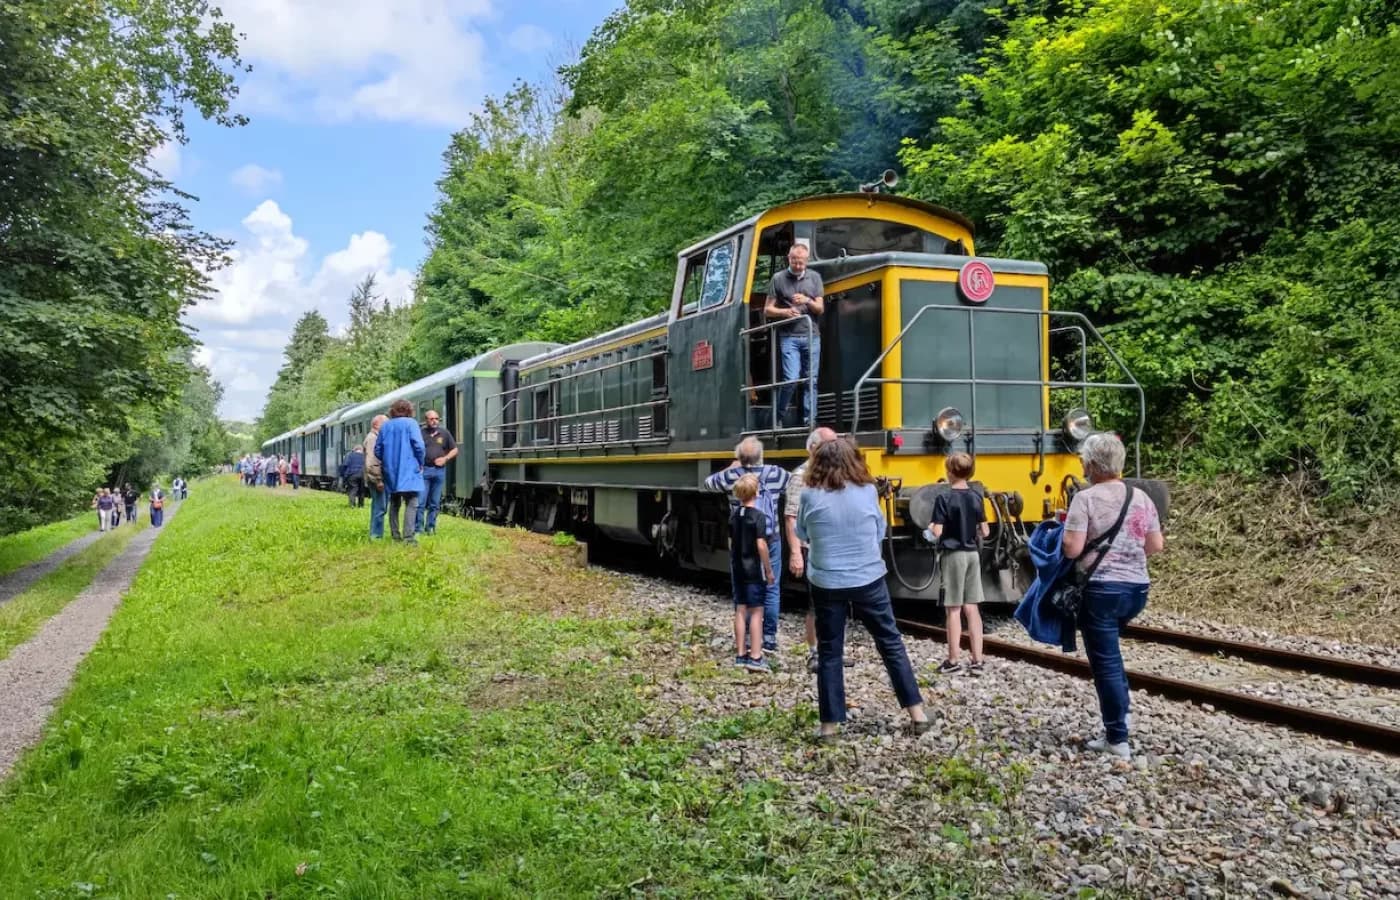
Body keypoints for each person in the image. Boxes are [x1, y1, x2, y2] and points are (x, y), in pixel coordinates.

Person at [797, 439, 930, 742]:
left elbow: (802, 533)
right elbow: (879, 529)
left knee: (830, 651)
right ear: (854, 461)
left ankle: (829, 727)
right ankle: (918, 714)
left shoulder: (808, 495)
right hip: (869, 579)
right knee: (890, 643)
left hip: (827, 582)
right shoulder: (868, 491)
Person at [1062, 433, 1164, 761]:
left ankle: (1117, 738)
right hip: (1137, 590)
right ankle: (1122, 710)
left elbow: (1073, 549)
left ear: (1092, 464)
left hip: (1102, 589)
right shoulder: (1142, 497)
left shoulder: (1086, 499)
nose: (1081, 465)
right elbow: (1154, 545)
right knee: (1112, 655)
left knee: (1104, 662)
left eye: (1083, 460)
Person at [703, 437, 790, 653]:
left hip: (742, 543)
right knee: (771, 589)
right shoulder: (776, 473)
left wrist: (731, 467)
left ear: (740, 458)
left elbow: (708, 483)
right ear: (762, 455)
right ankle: (769, 638)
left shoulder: (732, 475)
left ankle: (748, 639)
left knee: (742, 590)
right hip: (771, 539)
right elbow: (798, 482)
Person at [924, 452, 990, 675]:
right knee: (972, 607)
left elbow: (938, 531)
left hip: (953, 555)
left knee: (953, 609)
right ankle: (977, 660)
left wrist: (931, 529)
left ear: (949, 472)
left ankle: (953, 660)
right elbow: (986, 530)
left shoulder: (944, 498)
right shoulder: (976, 497)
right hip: (972, 554)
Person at [784, 426, 841, 673]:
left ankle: (835, 650)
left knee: (838, 603)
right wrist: (796, 552)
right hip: (811, 547)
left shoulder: (838, 474)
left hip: (835, 546)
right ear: (814, 448)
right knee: (815, 605)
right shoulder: (800, 477)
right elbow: (791, 516)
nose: (836, 449)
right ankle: (814, 652)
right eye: (830, 444)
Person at [764, 243, 824, 427]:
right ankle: (778, 416)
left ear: (806, 261)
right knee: (791, 379)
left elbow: (820, 308)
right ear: (789, 259)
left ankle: (809, 422)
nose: (798, 266)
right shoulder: (778, 278)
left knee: (811, 381)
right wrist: (784, 313)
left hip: (811, 336)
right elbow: (767, 310)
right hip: (789, 337)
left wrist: (807, 300)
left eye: (802, 262)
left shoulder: (815, 278)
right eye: (795, 262)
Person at [729, 474, 775, 672]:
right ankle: (755, 656)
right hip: (753, 570)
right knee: (757, 612)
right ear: (756, 492)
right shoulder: (758, 516)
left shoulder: (733, 516)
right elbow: (761, 545)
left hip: (737, 568)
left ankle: (740, 654)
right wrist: (768, 569)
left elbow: (731, 543)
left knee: (740, 610)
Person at [378, 399, 425, 544]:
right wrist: (420, 462)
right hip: (410, 468)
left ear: (392, 410)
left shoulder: (385, 426)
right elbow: (419, 446)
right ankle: (409, 537)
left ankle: (395, 536)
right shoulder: (411, 424)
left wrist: (387, 460)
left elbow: (378, 449)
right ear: (409, 410)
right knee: (412, 501)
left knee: (394, 502)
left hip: (390, 469)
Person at [415, 409, 458, 535]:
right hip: (425, 471)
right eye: (431, 419)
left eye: (436, 419)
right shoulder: (420, 434)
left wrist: (445, 458)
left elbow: (454, 449)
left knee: (435, 502)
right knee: (421, 502)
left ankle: (431, 528)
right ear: (426, 420)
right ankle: (418, 529)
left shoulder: (444, 433)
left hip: (439, 471)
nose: (434, 421)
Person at [363, 414, 389, 539]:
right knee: (380, 507)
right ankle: (376, 535)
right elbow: (372, 462)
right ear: (376, 425)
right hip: (377, 479)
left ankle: (376, 533)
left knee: (378, 506)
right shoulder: (373, 438)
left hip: (376, 477)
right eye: (385, 424)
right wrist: (378, 480)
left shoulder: (375, 437)